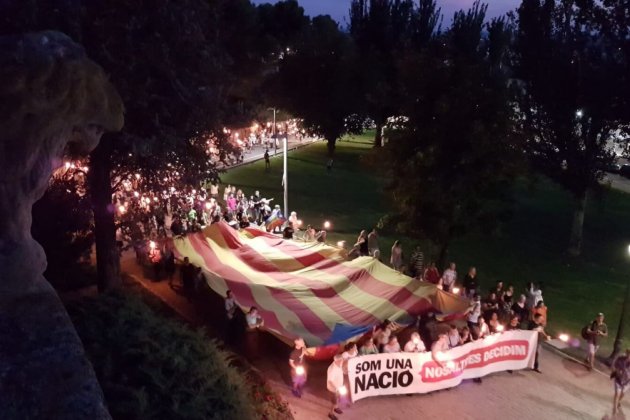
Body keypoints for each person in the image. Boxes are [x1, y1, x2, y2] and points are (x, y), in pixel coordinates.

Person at [611, 349, 630, 415]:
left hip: (627, 382)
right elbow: (614, 365)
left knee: (622, 394)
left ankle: (618, 401)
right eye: (628, 353)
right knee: (617, 394)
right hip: (618, 379)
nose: (629, 356)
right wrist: (616, 371)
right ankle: (615, 409)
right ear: (627, 353)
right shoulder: (620, 358)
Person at [327, 354, 345, 420]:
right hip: (333, 389)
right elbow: (330, 381)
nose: (342, 361)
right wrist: (336, 388)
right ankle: (331, 414)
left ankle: (336, 408)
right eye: (341, 360)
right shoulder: (332, 369)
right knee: (333, 402)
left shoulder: (339, 365)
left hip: (338, 388)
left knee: (337, 398)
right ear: (337, 361)